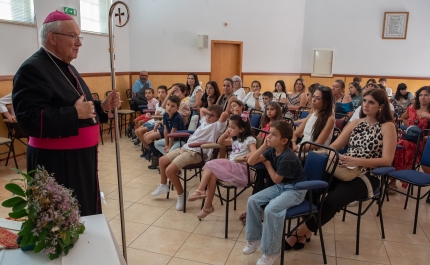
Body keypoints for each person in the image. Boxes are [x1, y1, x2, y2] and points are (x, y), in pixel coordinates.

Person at [12, 11, 120, 216]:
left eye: (79, 37)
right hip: (57, 163)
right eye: (73, 36)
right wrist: (73, 113)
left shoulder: (66, 67)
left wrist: (102, 107)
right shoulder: (32, 69)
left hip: (79, 159)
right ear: (52, 38)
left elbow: (80, 107)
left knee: (83, 211)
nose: (79, 42)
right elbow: (28, 120)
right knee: (62, 221)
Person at [284, 89, 396, 251]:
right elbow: (335, 146)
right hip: (345, 167)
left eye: (371, 102)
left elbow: (387, 160)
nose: (365, 105)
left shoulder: (387, 126)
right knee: (311, 185)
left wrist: (356, 160)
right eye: (364, 101)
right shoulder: (356, 122)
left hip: (367, 175)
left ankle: (299, 232)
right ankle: (306, 231)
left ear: (381, 106)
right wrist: (329, 154)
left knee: (332, 200)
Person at [243, 121, 306, 265]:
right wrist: (264, 146)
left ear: (284, 141)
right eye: (269, 133)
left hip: (296, 190)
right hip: (283, 186)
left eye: (273, 134)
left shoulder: (288, 157)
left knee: (272, 209)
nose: (268, 136)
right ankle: (254, 239)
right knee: (253, 200)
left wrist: (267, 163)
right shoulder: (272, 149)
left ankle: (272, 252)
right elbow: (251, 161)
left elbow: (277, 179)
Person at [152, 105, 229, 211]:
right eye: (207, 115)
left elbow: (225, 114)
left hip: (196, 153)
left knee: (169, 171)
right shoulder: (204, 122)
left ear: (218, 118)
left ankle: (182, 194)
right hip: (185, 148)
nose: (208, 117)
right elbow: (202, 109)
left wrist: (218, 114)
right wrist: (209, 113)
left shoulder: (218, 126)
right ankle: (163, 185)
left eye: (212, 116)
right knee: (162, 161)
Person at [188, 114, 257, 218]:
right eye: (228, 126)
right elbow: (221, 142)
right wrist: (226, 133)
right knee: (212, 175)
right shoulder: (235, 139)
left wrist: (247, 156)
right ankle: (208, 207)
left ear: (242, 129)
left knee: (209, 164)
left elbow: (255, 152)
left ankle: (200, 190)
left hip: (241, 169)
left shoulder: (249, 139)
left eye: (232, 127)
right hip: (232, 167)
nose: (229, 129)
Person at [392, 86, 430, 190]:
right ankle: (392, 181)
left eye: (426, 95)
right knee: (397, 147)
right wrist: (410, 126)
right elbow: (403, 118)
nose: (423, 97)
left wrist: (428, 117)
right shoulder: (412, 108)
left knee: (400, 146)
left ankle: (392, 181)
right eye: (421, 95)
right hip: (409, 138)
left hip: (424, 143)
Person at [147, 95, 186, 169]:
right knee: (157, 144)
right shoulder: (165, 115)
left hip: (179, 141)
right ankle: (171, 160)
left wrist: (169, 146)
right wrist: (166, 144)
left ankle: (171, 163)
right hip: (171, 139)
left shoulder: (178, 117)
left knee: (170, 151)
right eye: (168, 105)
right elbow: (166, 130)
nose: (169, 107)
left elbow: (172, 133)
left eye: (172, 106)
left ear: (177, 108)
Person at [292, 85, 334, 152]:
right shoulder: (311, 115)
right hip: (302, 148)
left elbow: (318, 144)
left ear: (325, 102)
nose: (313, 100)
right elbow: (295, 133)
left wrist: (297, 147)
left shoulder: (330, 119)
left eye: (318, 98)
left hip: (314, 153)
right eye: (313, 96)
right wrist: (293, 144)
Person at [134, 86, 167, 154]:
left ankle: (149, 150)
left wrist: (158, 116)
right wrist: (157, 116)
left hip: (158, 124)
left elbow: (164, 117)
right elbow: (155, 117)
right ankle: (147, 148)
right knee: (137, 131)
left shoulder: (168, 104)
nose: (160, 94)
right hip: (153, 121)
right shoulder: (158, 104)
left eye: (163, 92)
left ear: (166, 93)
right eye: (159, 92)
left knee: (141, 131)